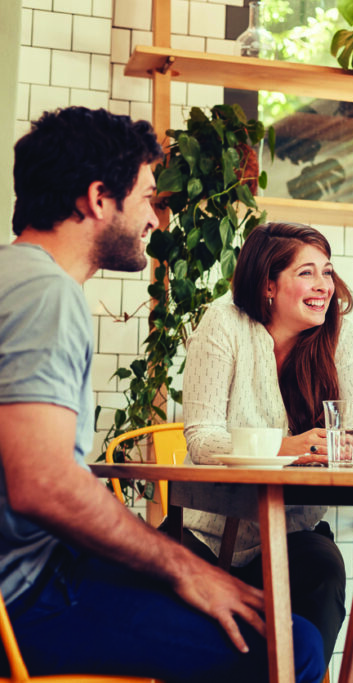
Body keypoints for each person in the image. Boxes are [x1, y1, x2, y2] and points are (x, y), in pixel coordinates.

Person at [0, 107, 324, 682]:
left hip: (37, 573)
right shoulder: (47, 296)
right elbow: (43, 486)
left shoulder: (14, 277)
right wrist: (185, 568)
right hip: (27, 597)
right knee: (288, 645)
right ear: (99, 198)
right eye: (148, 198)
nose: (156, 218)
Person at [180, 221, 353, 668]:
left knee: (324, 570)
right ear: (268, 283)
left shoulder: (340, 338)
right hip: (208, 533)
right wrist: (290, 447)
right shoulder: (224, 323)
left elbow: (352, 437)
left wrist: (342, 449)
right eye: (307, 273)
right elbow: (202, 439)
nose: (324, 286)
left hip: (292, 532)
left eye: (328, 271)